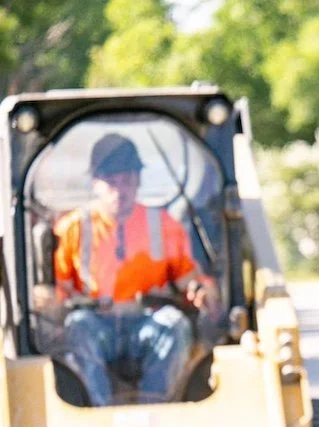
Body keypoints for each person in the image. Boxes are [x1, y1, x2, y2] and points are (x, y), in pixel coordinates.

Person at [49, 133, 217, 405]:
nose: (120, 191)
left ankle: (156, 410)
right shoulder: (73, 228)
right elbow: (59, 287)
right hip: (97, 324)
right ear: (96, 184)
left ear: (138, 180)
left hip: (147, 323)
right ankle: (98, 415)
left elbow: (190, 278)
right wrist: (50, 305)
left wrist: (202, 291)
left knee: (174, 325)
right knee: (76, 326)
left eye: (127, 181)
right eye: (111, 182)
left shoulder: (164, 225)